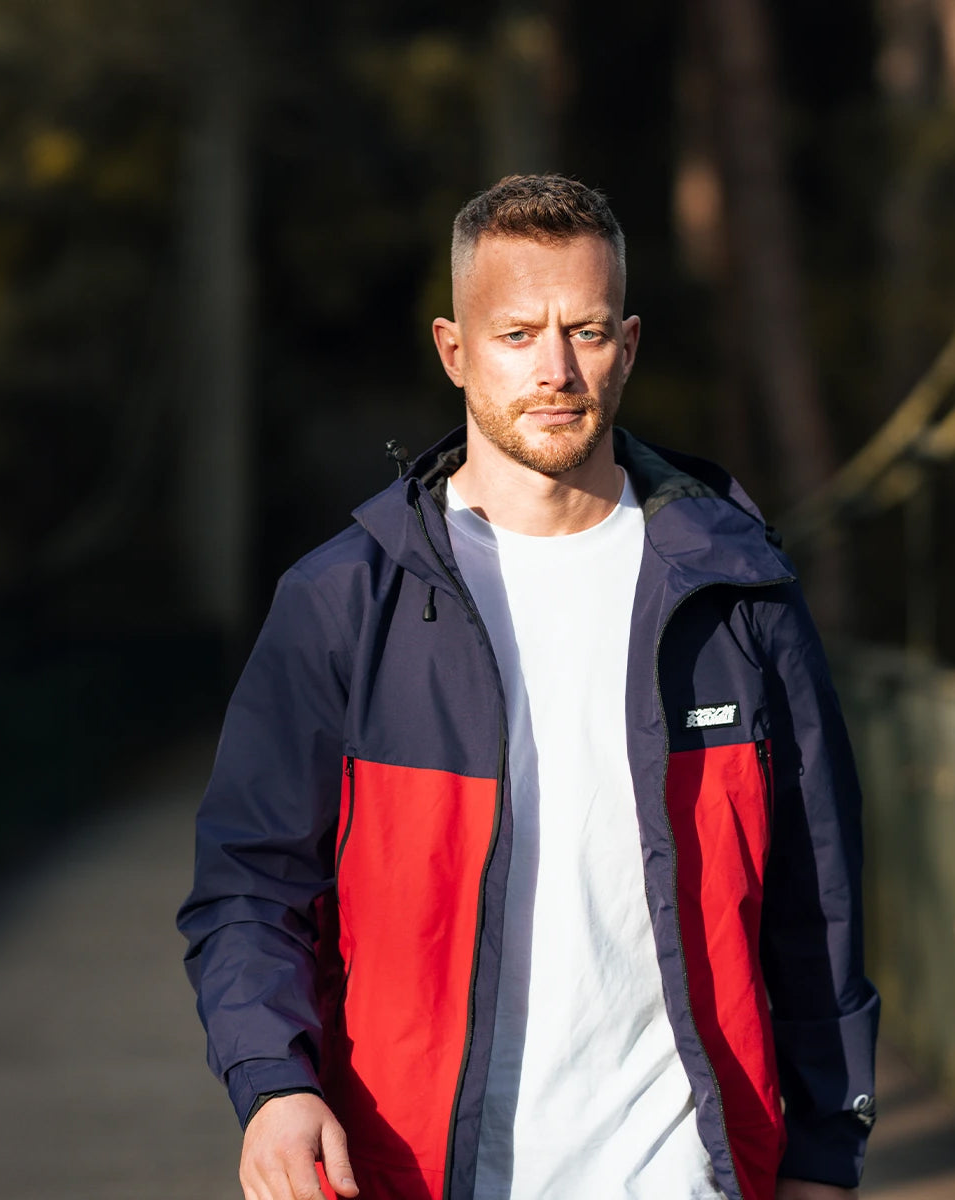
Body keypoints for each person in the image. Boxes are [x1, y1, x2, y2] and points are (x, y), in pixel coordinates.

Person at [178, 174, 879, 1200]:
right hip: (417, 1172)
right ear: (454, 350)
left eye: (585, 331)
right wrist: (273, 1082)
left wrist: (826, 1148)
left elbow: (818, 898)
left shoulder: (737, 594)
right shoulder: (342, 602)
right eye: (517, 335)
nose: (555, 369)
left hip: (686, 1173)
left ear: (627, 346)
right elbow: (251, 884)